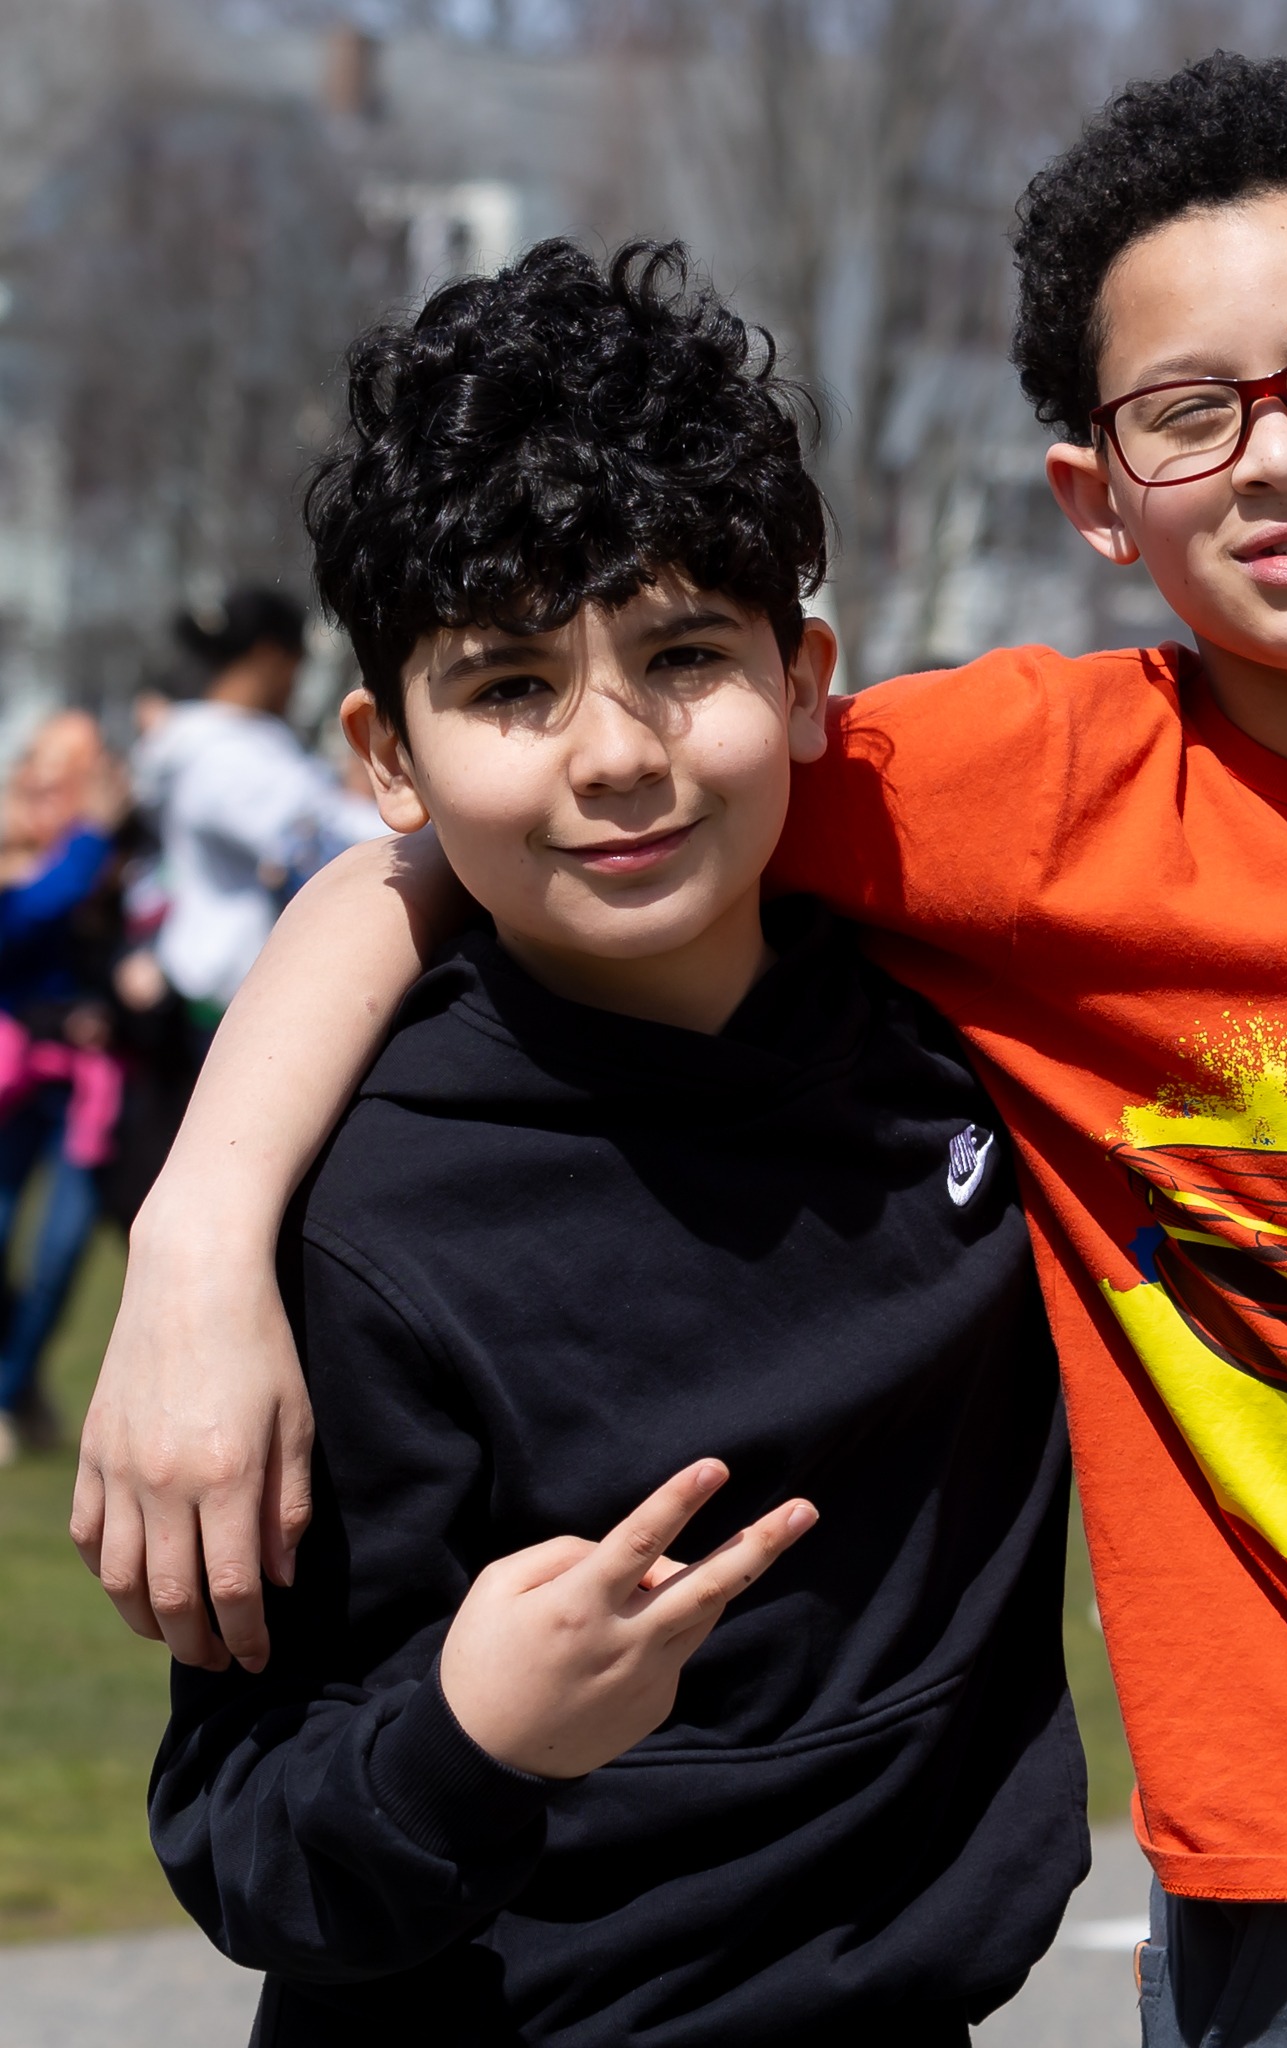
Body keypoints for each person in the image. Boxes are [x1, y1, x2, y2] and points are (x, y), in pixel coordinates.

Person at [73, 61, 1287, 2048]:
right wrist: (199, 1239)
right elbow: (476, 841)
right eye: (1186, 412)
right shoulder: (1004, 805)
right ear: (1098, 497)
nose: (1280, 457)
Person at [147, 247, 1081, 2044]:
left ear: (805, 678)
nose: (618, 755)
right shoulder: (353, 1219)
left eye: (682, 656)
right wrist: (466, 1733)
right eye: (507, 687)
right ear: (385, 756)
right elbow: (243, 1838)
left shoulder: (972, 1050)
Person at [130, 588, 385, 1044]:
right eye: (297, 664)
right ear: (270, 656)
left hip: (229, 983)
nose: (297, 681)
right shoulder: (224, 756)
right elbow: (320, 841)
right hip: (226, 996)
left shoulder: (231, 742)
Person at [0, 713, 126, 1462]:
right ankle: (17, 1388)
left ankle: (12, 1392)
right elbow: (21, 920)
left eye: (66, 785)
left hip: (90, 1088)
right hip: (13, 1082)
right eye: (36, 783)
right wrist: (90, 842)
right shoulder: (67, 860)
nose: (48, 799)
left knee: (61, 1252)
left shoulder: (113, 860)